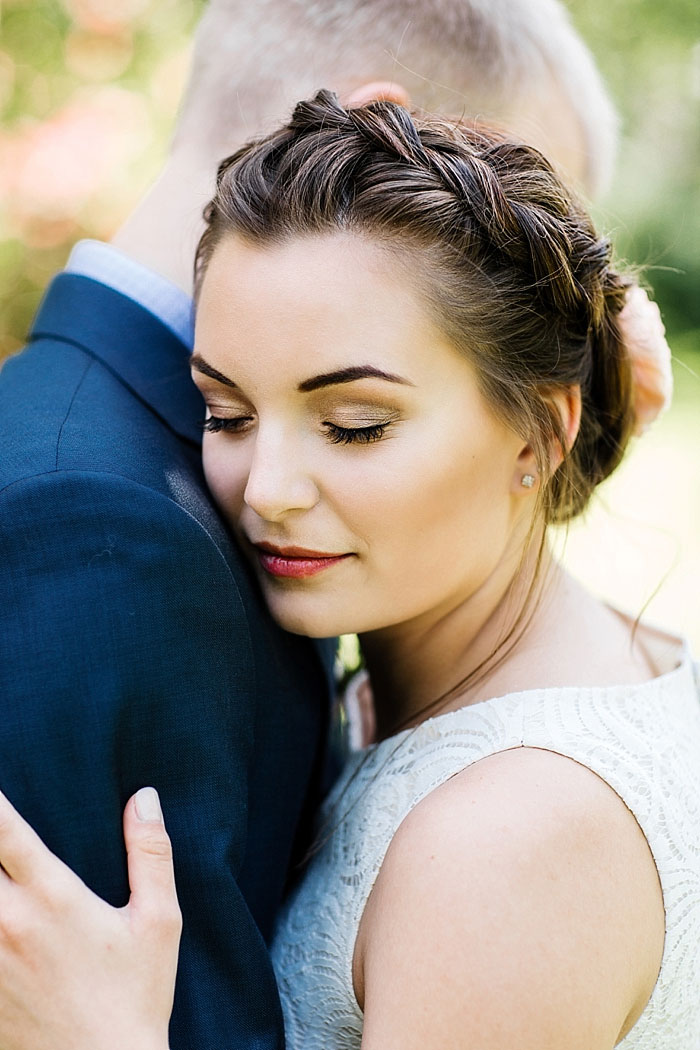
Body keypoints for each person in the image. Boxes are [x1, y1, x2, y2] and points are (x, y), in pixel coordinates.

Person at [0, 91, 696, 1050]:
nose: (269, 489)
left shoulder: (512, 843)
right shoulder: (585, 663)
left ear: (543, 429)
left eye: (354, 426)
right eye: (228, 413)